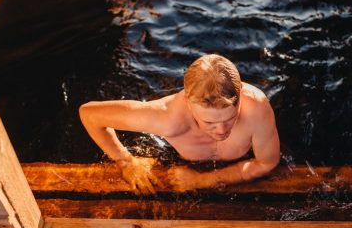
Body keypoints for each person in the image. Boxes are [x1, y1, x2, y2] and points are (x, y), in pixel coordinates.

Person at [79, 54, 280, 194]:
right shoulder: (165, 119)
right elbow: (89, 114)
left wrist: (201, 181)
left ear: (240, 100)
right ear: (189, 105)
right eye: (209, 121)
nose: (221, 130)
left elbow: (267, 162)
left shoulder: (256, 109)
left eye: (230, 118)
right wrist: (125, 161)